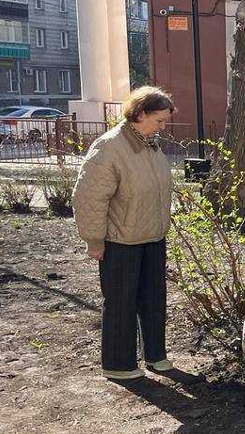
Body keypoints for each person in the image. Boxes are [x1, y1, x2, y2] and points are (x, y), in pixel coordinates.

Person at [72, 86, 175, 381]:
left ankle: (155, 355)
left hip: (152, 237)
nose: (163, 127)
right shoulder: (110, 147)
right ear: (140, 114)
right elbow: (89, 197)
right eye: (159, 120)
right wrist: (93, 239)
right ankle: (118, 364)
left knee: (154, 299)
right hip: (120, 241)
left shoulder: (149, 144)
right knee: (121, 301)